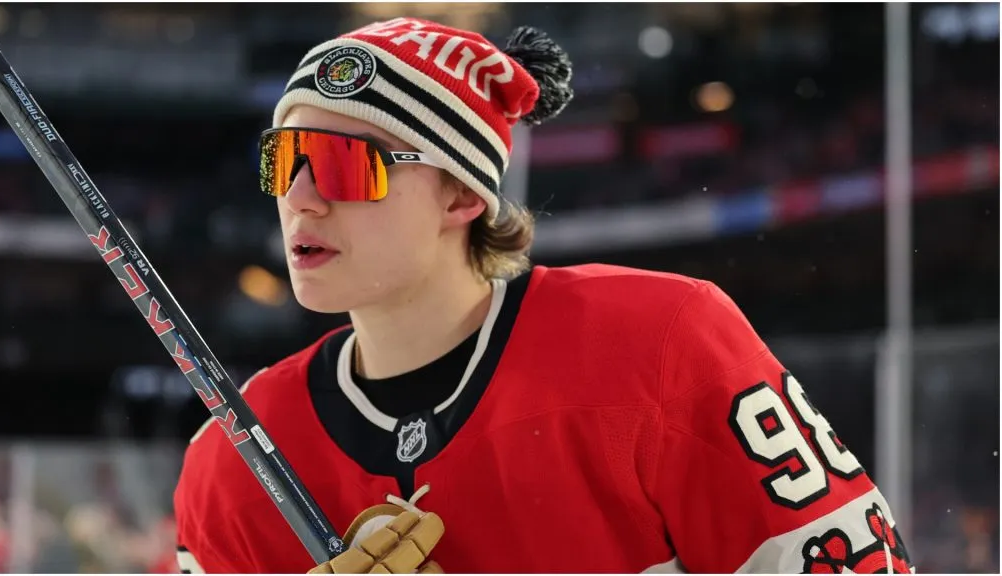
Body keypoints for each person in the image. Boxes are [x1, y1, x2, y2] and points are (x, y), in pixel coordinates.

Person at [173, 17, 914, 574]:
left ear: (463, 193)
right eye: (284, 161)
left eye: (342, 165)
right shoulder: (232, 462)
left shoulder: (659, 346)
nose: (300, 199)